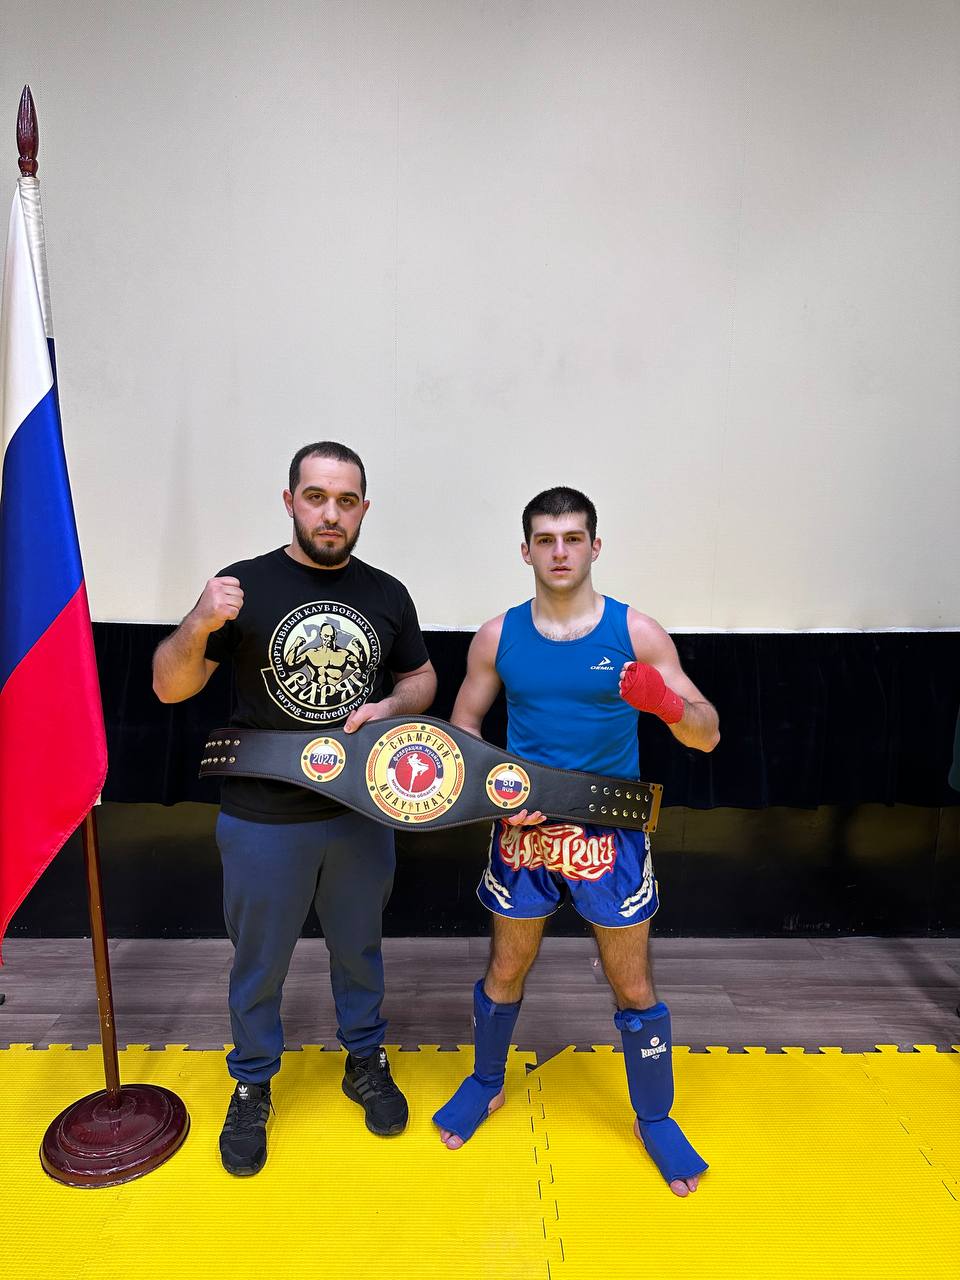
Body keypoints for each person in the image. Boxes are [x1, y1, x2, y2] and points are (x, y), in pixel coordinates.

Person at [152, 442, 436, 1176]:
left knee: (359, 947)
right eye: (316, 497)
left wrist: (390, 707)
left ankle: (364, 1059)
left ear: (363, 509)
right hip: (262, 815)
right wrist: (198, 621)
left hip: (359, 813)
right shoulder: (242, 586)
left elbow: (421, 678)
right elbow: (169, 687)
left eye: (346, 501)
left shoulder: (386, 593)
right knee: (259, 961)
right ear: (290, 502)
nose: (330, 514)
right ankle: (252, 1083)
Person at [432, 486, 719, 1197]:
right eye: (545, 539)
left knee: (633, 982)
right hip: (524, 829)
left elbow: (706, 733)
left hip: (612, 830)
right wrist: (498, 789)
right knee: (506, 966)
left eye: (572, 538)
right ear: (525, 550)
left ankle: (655, 1117)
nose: (559, 552)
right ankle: (486, 1082)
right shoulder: (497, 636)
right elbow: (463, 728)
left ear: (595, 546)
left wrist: (665, 703)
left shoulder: (637, 632)